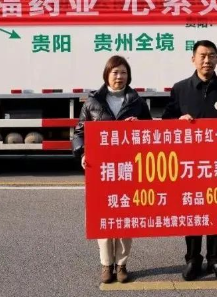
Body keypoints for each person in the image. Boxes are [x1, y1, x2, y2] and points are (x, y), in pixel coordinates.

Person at [162, 40, 217, 281]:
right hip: (189, 164)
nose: (207, 60)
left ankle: (216, 261)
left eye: (211, 56)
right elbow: (165, 121)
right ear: (193, 59)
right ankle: (193, 259)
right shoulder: (180, 89)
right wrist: (177, 121)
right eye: (202, 55)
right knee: (193, 209)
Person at [72, 55, 152, 284]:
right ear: (106, 74)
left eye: (124, 72)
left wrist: (140, 127)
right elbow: (79, 133)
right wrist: (83, 153)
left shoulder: (137, 102)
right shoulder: (93, 102)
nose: (119, 77)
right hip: (102, 170)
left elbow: (151, 133)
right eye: (115, 72)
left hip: (129, 168)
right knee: (104, 217)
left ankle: (122, 264)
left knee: (125, 216)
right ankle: (107, 265)